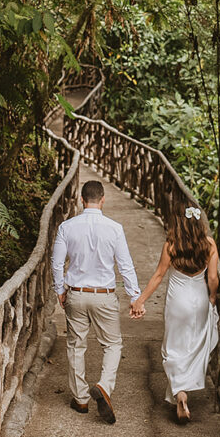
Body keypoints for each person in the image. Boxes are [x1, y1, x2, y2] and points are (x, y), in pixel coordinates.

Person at [51, 179, 141, 423]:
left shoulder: (67, 227)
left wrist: (60, 289)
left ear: (81, 200)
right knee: (112, 345)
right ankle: (103, 386)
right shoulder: (114, 228)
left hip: (76, 294)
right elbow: (125, 265)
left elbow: (57, 262)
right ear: (103, 200)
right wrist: (135, 297)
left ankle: (81, 398)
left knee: (76, 345)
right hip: (104, 297)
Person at [131, 204, 220, 424]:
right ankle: (184, 388)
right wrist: (212, 297)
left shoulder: (171, 245)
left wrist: (139, 301)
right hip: (198, 299)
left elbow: (159, 275)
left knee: (173, 347)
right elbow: (212, 279)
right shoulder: (209, 245)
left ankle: (180, 394)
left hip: (177, 301)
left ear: (178, 223)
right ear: (199, 223)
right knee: (195, 344)